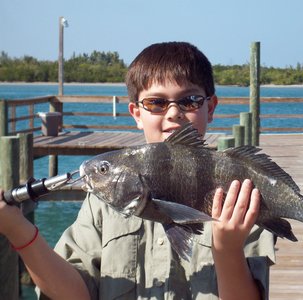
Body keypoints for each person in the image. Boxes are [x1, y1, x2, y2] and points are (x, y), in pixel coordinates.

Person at [0, 41, 275, 299]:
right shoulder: (101, 205)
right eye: (156, 103)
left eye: (189, 101)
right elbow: (75, 293)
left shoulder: (240, 194)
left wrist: (227, 249)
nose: (173, 113)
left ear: (210, 107)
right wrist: (18, 229)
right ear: (136, 113)